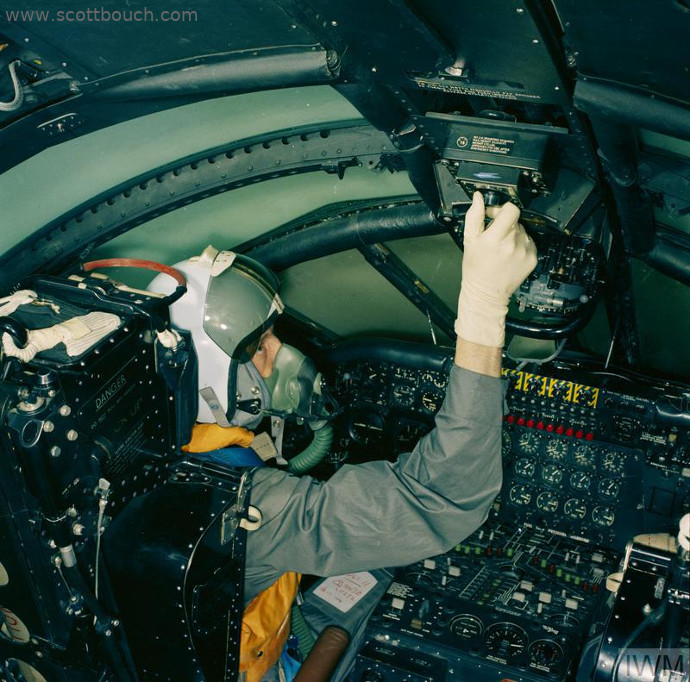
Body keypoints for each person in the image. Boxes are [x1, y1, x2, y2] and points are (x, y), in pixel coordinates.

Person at [156, 191, 538, 682]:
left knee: (374, 581)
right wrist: (484, 309)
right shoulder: (250, 504)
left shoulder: (160, 447)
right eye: (256, 346)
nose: (280, 353)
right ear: (210, 375)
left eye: (274, 333)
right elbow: (438, 497)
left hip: (242, 637)